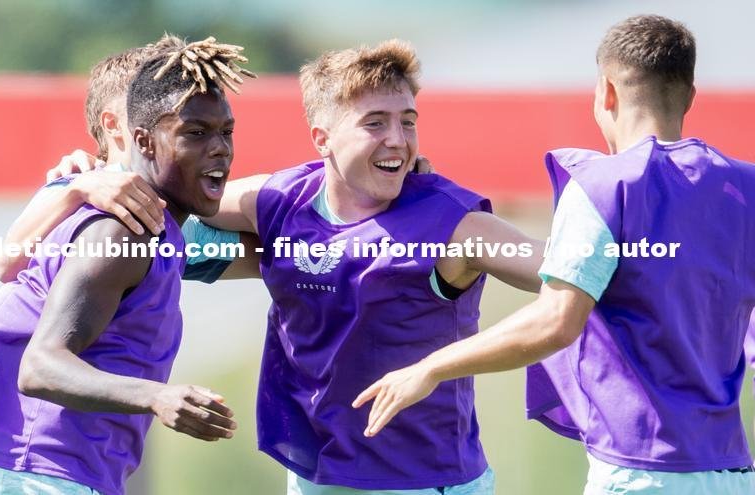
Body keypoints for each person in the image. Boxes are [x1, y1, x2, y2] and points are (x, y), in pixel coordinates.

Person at [354, 15, 755, 494]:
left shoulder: (604, 185)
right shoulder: (745, 187)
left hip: (642, 472)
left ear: (606, 92)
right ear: (690, 95)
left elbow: (555, 321)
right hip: (734, 473)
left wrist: (429, 367)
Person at [203, 40, 543, 494]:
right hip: (314, 479)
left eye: (407, 122)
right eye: (374, 123)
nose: (398, 141)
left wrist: (639, 238)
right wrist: (93, 178)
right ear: (321, 139)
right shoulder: (279, 200)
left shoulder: (452, 223)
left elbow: (566, 271)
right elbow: (179, 203)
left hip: (422, 483)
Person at [0, 37, 254, 495]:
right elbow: (40, 363)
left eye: (226, 132)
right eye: (195, 131)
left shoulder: (169, 235)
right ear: (135, 136)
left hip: (58, 476)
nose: (220, 149)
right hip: (36, 478)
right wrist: (158, 395)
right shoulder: (119, 228)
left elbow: (273, 251)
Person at [0, 34, 260, 286]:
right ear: (112, 124)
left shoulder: (177, 221)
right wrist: (77, 192)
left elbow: (275, 255)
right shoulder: (71, 184)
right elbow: (7, 264)